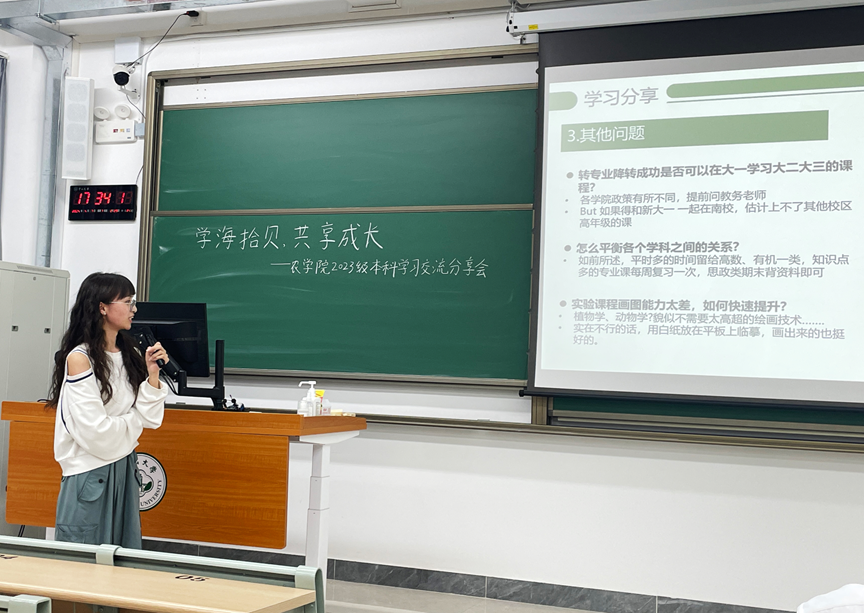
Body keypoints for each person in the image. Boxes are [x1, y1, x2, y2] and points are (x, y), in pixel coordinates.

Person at [45, 272, 168, 548]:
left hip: (125, 467)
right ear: (102, 307)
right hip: (89, 472)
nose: (134, 309)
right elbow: (96, 432)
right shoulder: (80, 359)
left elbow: (151, 419)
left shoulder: (130, 353)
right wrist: (134, 421)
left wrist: (152, 374)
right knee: (84, 563)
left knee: (124, 560)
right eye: (127, 301)